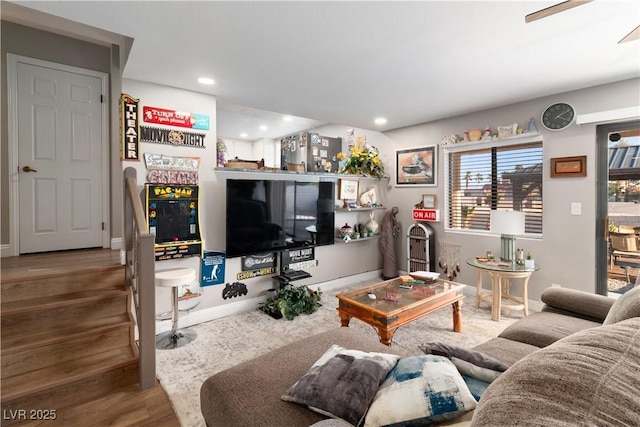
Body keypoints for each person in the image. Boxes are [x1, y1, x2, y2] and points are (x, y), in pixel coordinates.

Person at [380, 206, 400, 279]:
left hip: (388, 238)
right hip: (387, 238)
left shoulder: (390, 218)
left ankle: (390, 272)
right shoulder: (388, 218)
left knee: (389, 252)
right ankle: (389, 273)